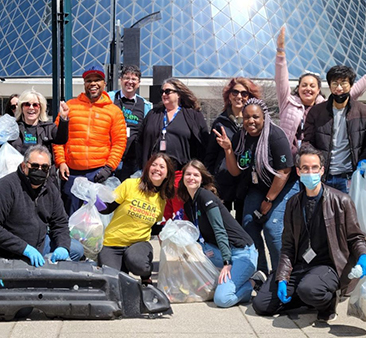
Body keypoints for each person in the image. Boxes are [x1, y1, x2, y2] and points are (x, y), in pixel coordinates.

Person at [251, 146, 366, 322]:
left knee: (310, 289)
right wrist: (283, 277)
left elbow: (355, 237)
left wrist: (364, 256)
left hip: (328, 266)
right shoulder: (293, 203)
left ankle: (328, 301)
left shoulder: (341, 201)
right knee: (261, 304)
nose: (310, 172)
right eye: (305, 168)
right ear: (298, 171)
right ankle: (305, 297)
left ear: (322, 170)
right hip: (300, 265)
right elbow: (288, 245)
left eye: (314, 167)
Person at [275, 26, 366, 156]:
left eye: (312, 86)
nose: (308, 89)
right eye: (304, 85)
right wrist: (280, 52)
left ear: (319, 89)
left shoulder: (324, 107)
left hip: (312, 162)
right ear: (298, 87)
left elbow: (352, 91)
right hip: (287, 158)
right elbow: (281, 80)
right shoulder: (287, 102)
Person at [213, 98, 294, 275]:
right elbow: (235, 171)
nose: (251, 121)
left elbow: (284, 171)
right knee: (248, 226)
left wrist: (268, 200)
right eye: (247, 117)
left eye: (256, 117)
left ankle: (282, 274)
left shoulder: (275, 135)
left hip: (281, 187)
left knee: (272, 229)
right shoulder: (240, 137)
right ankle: (261, 273)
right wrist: (228, 149)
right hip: (257, 187)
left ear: (264, 118)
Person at [178, 160, 261, 308]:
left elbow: (219, 230)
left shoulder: (205, 197)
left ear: (202, 178)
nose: (191, 178)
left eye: (196, 175)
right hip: (218, 249)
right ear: (182, 177)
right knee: (189, 249)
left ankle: (254, 281)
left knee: (222, 299)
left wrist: (226, 262)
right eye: (188, 174)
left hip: (241, 252)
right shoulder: (189, 204)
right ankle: (239, 286)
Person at [0, 145, 78, 265]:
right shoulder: (4, 188)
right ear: (24, 166)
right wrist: (24, 249)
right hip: (7, 252)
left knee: (76, 249)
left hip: (39, 245)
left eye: (44, 167)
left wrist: (62, 246)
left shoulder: (51, 189)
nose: (39, 170)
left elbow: (60, 222)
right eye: (35, 166)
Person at [53, 65, 128, 213]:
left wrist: (108, 168)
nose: (93, 83)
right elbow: (58, 138)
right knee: (69, 215)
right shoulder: (70, 106)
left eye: (97, 79)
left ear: (104, 83)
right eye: (89, 80)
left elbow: (119, 143)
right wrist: (61, 162)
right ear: (84, 84)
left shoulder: (114, 111)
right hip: (71, 173)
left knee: (96, 220)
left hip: (98, 173)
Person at [136, 78, 208, 220]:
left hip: (180, 174)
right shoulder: (154, 114)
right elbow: (141, 140)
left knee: (180, 217)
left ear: (179, 94)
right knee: (160, 218)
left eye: (168, 91)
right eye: (162, 92)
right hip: (156, 175)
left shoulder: (192, 115)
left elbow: (204, 142)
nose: (164, 94)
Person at [98, 153, 175, 284]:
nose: (157, 169)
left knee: (137, 262)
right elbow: (108, 208)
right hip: (112, 243)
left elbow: (151, 226)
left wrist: (170, 229)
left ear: (167, 174)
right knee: (111, 282)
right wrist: (93, 200)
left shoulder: (163, 198)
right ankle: (121, 268)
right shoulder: (130, 184)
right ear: (148, 168)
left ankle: (145, 277)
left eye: (162, 166)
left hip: (138, 244)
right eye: (154, 165)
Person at [300, 64, 366, 194]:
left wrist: (364, 160)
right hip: (323, 176)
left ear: (351, 85)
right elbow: (308, 141)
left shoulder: (364, 112)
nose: (339, 88)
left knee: (348, 213)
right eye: (335, 83)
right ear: (329, 85)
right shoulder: (317, 112)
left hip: (349, 177)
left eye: (344, 83)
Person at [205, 77, 261, 214]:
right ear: (229, 96)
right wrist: (208, 180)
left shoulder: (255, 123)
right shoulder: (220, 123)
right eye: (235, 92)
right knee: (224, 225)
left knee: (244, 225)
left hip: (247, 182)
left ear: (250, 97)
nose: (239, 97)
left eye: (244, 93)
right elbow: (210, 155)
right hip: (223, 182)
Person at [109, 65, 153, 180]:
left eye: (134, 79)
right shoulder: (109, 99)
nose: (130, 82)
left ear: (139, 83)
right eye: (126, 78)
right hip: (109, 159)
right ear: (121, 80)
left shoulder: (145, 106)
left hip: (133, 162)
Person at [8, 89, 69, 155]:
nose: (31, 108)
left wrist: (63, 117)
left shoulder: (48, 127)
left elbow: (61, 139)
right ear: (21, 108)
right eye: (27, 104)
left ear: (41, 108)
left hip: (42, 164)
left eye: (35, 105)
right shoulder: (14, 128)